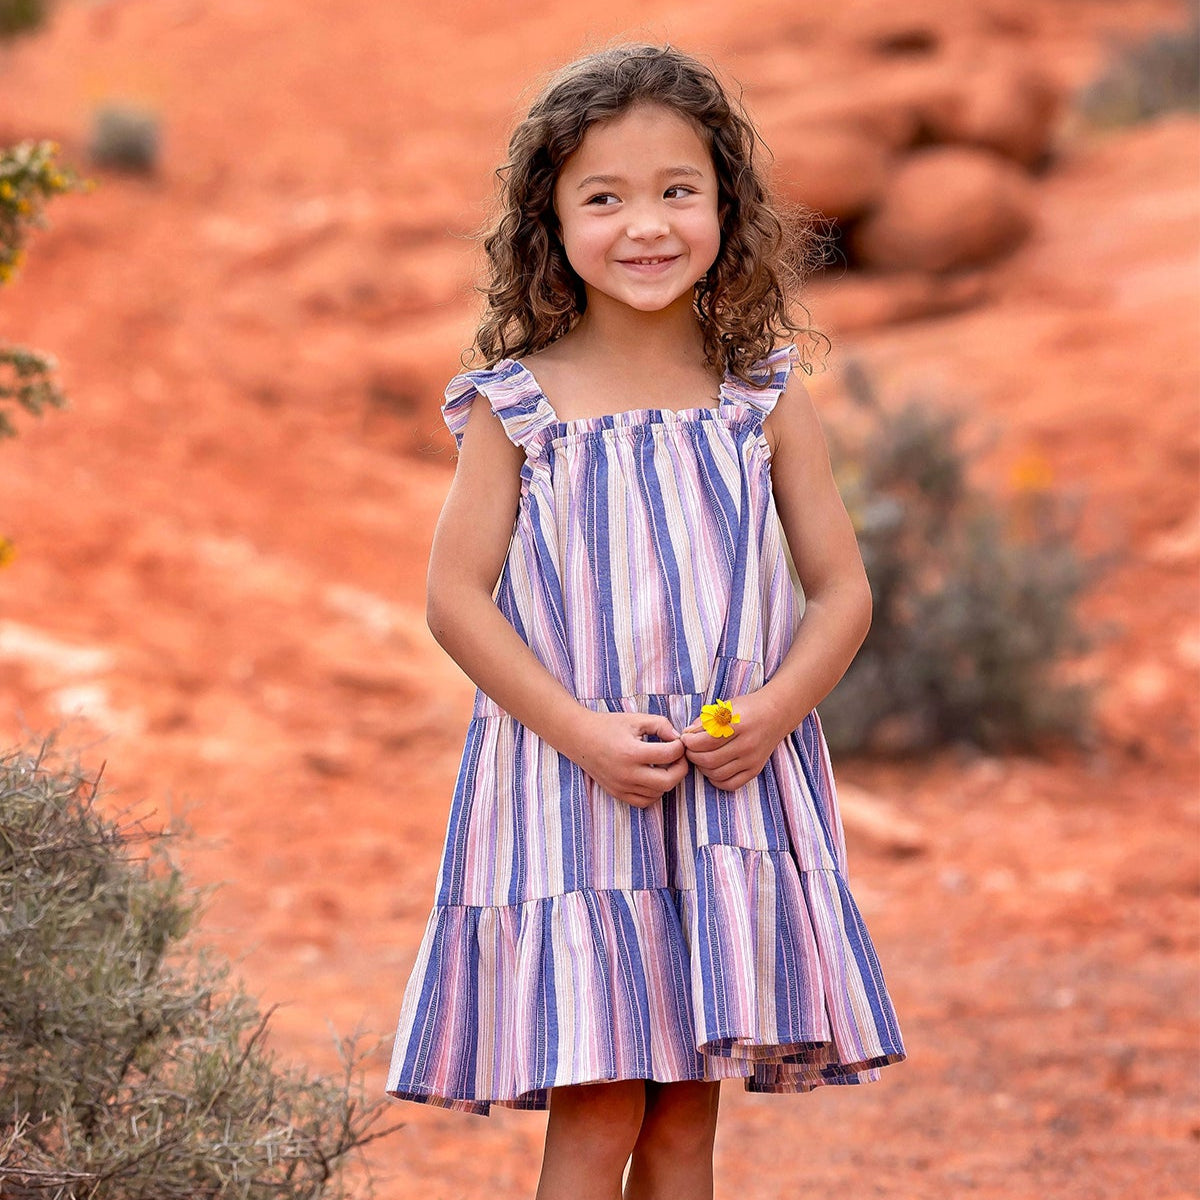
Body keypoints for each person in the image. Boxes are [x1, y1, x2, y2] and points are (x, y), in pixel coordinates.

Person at [386, 43, 905, 1200]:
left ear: (726, 201)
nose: (646, 226)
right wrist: (580, 733)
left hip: (728, 788)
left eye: (678, 190)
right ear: (550, 222)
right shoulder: (516, 405)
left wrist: (771, 716)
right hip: (576, 792)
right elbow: (453, 598)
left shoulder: (761, 395)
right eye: (603, 198)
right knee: (600, 1114)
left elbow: (843, 590)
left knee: (682, 1128)